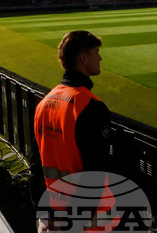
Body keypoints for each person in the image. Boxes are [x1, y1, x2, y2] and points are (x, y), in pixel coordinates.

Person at [30, 30, 111, 196]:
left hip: (52, 206)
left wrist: (40, 208)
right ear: (83, 58)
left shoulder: (44, 103)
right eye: (96, 52)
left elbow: (36, 166)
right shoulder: (91, 106)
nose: (100, 58)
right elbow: (96, 171)